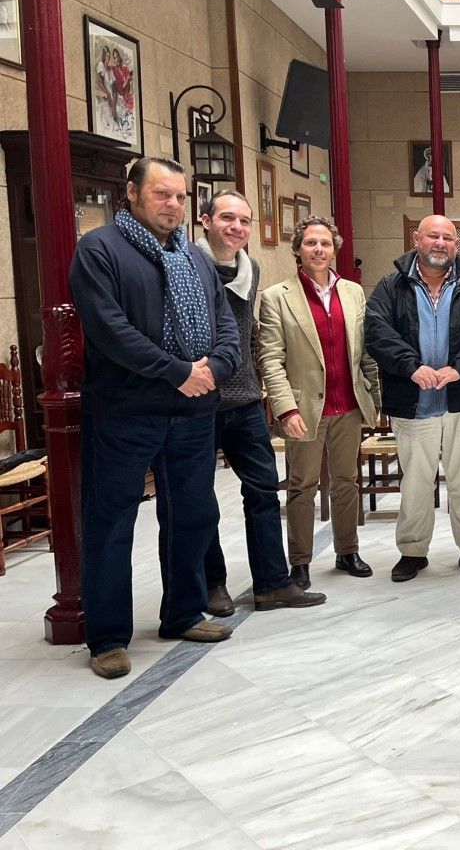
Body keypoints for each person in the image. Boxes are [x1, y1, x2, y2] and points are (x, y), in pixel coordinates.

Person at [69, 157, 241, 679]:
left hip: (193, 413)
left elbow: (226, 327)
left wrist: (214, 366)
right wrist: (176, 371)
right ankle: (107, 638)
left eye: (180, 197)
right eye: (162, 194)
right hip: (126, 413)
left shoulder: (195, 257)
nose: (173, 205)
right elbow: (110, 330)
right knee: (112, 522)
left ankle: (183, 612)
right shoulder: (99, 251)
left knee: (191, 516)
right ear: (132, 193)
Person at [195, 191, 326, 615]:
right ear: (206, 221)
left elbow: (248, 330)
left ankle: (272, 582)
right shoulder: (187, 265)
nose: (236, 227)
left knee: (264, 491)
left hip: (246, 398)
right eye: (227, 218)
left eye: (245, 221)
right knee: (200, 498)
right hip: (199, 399)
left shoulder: (250, 268)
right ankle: (213, 584)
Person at [365, 215, 460, 582]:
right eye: (433, 236)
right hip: (414, 403)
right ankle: (412, 552)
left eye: (447, 237)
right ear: (416, 239)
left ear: (456, 244)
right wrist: (411, 367)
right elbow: (377, 331)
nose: (440, 243)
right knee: (415, 483)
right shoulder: (391, 286)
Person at [258, 216, 381, 590]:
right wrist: (285, 409)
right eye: (311, 243)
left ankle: (347, 551)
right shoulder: (277, 297)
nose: (318, 250)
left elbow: (366, 353)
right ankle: (300, 561)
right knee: (302, 486)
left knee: (347, 482)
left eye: (325, 243)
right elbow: (270, 359)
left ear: (335, 249)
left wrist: (373, 398)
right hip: (304, 410)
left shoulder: (353, 293)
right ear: (298, 249)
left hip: (348, 405)